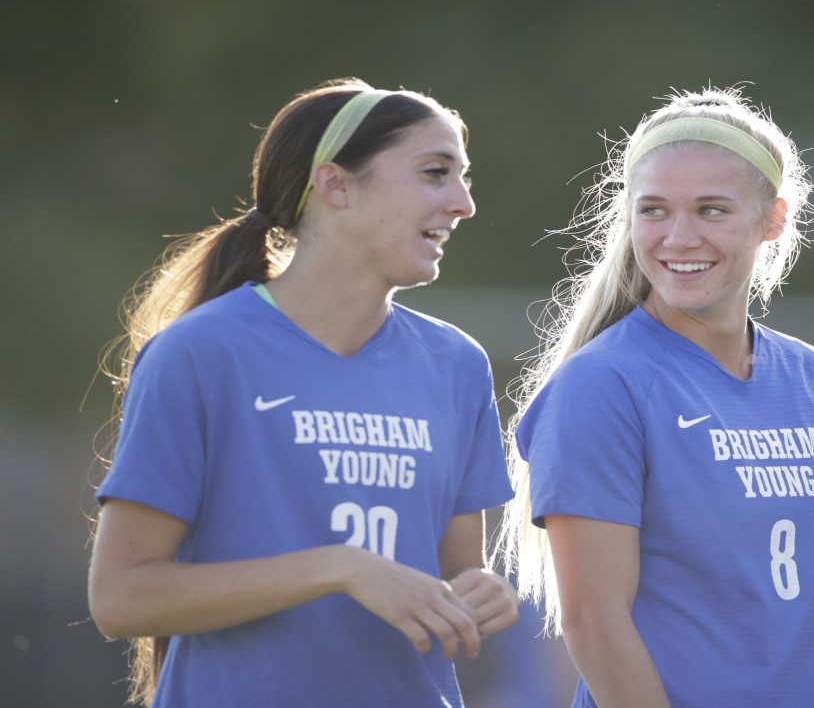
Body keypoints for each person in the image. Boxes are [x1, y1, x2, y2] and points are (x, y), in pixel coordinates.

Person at [89, 80, 520, 707]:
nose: (464, 203)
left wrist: (482, 594)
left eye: (464, 177)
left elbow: (458, 571)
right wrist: (340, 568)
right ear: (336, 185)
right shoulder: (199, 354)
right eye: (435, 173)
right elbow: (122, 599)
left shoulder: (456, 364)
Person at [496, 87, 814, 708]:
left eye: (711, 210)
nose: (678, 237)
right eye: (653, 211)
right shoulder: (603, 384)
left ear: (772, 221)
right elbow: (594, 622)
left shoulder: (812, 377)